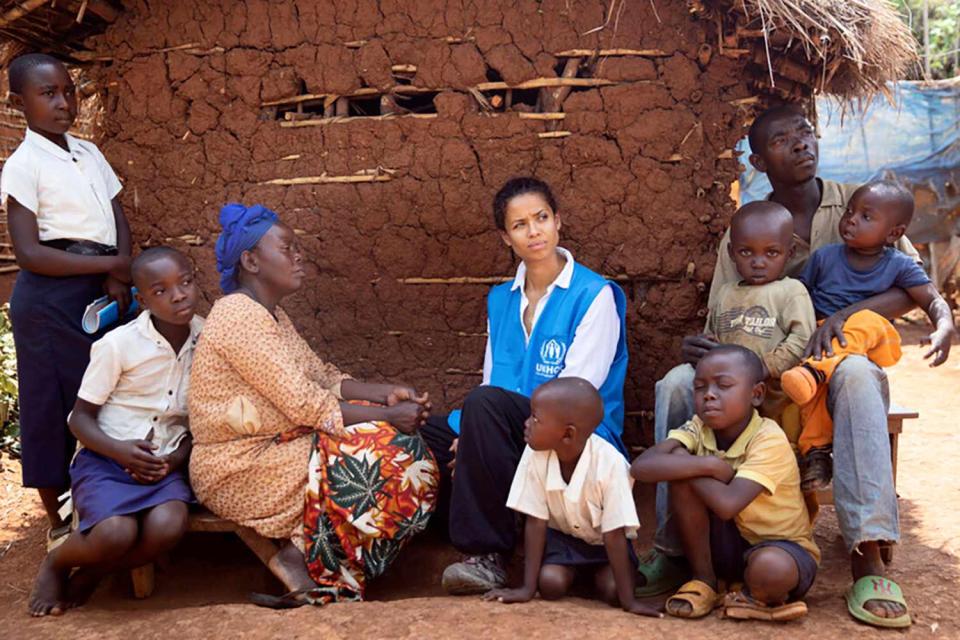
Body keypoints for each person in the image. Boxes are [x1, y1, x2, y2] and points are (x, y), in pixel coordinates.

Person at [651, 105, 920, 627]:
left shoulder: (857, 202)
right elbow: (721, 315)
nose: (800, 143)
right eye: (782, 139)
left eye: (805, 132)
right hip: (755, 366)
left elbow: (911, 285)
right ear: (757, 159)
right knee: (677, 383)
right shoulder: (748, 223)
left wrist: (842, 315)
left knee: (860, 375)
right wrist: (703, 349)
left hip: (832, 359)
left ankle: (867, 551)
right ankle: (674, 550)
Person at [188, 203, 439, 608]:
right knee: (394, 458)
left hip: (280, 449)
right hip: (238, 467)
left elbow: (320, 376)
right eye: (286, 248)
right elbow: (307, 403)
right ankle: (313, 560)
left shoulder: (271, 315)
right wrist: (389, 415)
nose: (298, 256)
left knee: (394, 445)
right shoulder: (237, 317)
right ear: (250, 260)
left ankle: (308, 556)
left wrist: (385, 392)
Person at [419, 177, 629, 595]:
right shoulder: (501, 300)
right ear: (506, 237)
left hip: (574, 432)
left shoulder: (593, 294)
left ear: (558, 223)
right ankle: (429, 535)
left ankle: (487, 554)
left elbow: (577, 395)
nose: (534, 232)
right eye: (520, 225)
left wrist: (482, 429)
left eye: (541, 218)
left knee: (484, 408)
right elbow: (493, 376)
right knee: (425, 432)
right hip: (509, 422)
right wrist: (470, 435)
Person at [1, 53, 132, 547]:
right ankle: (57, 524)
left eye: (69, 91)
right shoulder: (22, 166)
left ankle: (105, 500)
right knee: (53, 405)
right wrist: (110, 267)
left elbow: (117, 215)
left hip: (97, 289)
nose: (64, 103)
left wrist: (119, 266)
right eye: (48, 94)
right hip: (49, 300)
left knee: (107, 395)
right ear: (19, 103)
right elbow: (30, 253)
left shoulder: (90, 153)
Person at [27, 247, 201, 617]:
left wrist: (174, 460)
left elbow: (198, 421)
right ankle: (57, 564)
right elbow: (79, 419)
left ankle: (94, 572)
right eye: (161, 290)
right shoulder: (118, 345)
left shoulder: (207, 339)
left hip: (164, 464)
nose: (179, 295)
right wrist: (120, 451)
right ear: (141, 299)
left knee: (169, 526)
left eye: (185, 282)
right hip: (107, 459)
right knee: (114, 533)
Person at [781, 181, 955, 491]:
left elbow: (932, 300)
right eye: (850, 211)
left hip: (866, 344)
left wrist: (944, 327)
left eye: (865, 216)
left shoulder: (898, 265)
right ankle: (817, 452)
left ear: (893, 234)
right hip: (824, 339)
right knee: (814, 396)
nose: (850, 219)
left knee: (866, 320)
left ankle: (813, 371)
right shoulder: (825, 258)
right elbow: (800, 295)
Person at [632, 346, 818, 622]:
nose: (709, 394)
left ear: (756, 395)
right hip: (726, 545)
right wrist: (707, 465)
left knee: (770, 570)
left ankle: (753, 593)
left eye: (724, 385)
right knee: (682, 479)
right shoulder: (698, 427)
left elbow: (728, 504)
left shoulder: (768, 438)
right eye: (700, 387)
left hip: (780, 546)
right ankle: (705, 581)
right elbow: (641, 467)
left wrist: (684, 464)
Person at [482, 378, 660, 618]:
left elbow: (614, 535)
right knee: (550, 584)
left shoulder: (611, 463)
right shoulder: (534, 454)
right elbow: (535, 522)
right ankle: (577, 578)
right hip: (564, 544)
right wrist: (527, 589)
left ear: (567, 434)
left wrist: (629, 602)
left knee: (613, 590)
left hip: (605, 547)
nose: (526, 424)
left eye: (535, 418)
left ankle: (608, 577)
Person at [700, 200, 814, 422]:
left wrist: (763, 367)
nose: (758, 263)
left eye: (771, 253)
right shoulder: (725, 294)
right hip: (727, 396)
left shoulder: (791, 291)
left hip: (776, 396)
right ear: (732, 253)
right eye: (746, 252)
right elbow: (712, 339)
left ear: (790, 252)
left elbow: (802, 339)